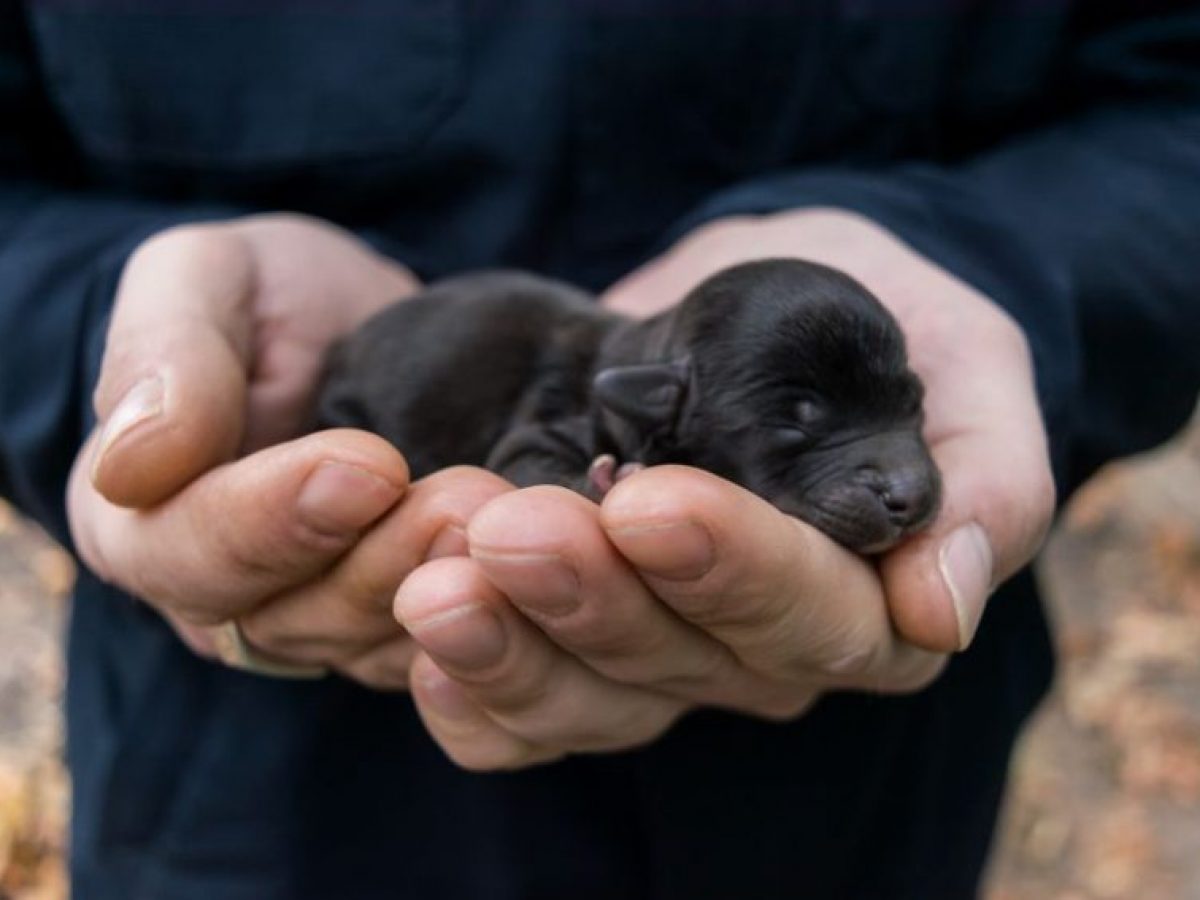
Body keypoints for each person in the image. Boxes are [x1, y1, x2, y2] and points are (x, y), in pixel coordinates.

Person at [1, 3, 1198, 897]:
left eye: (898, 401)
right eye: (800, 426)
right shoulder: (589, 407)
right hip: (267, 811)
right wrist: (94, 344)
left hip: (853, 810)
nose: (900, 471)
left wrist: (1001, 268)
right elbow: (534, 458)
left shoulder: (681, 401)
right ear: (653, 406)